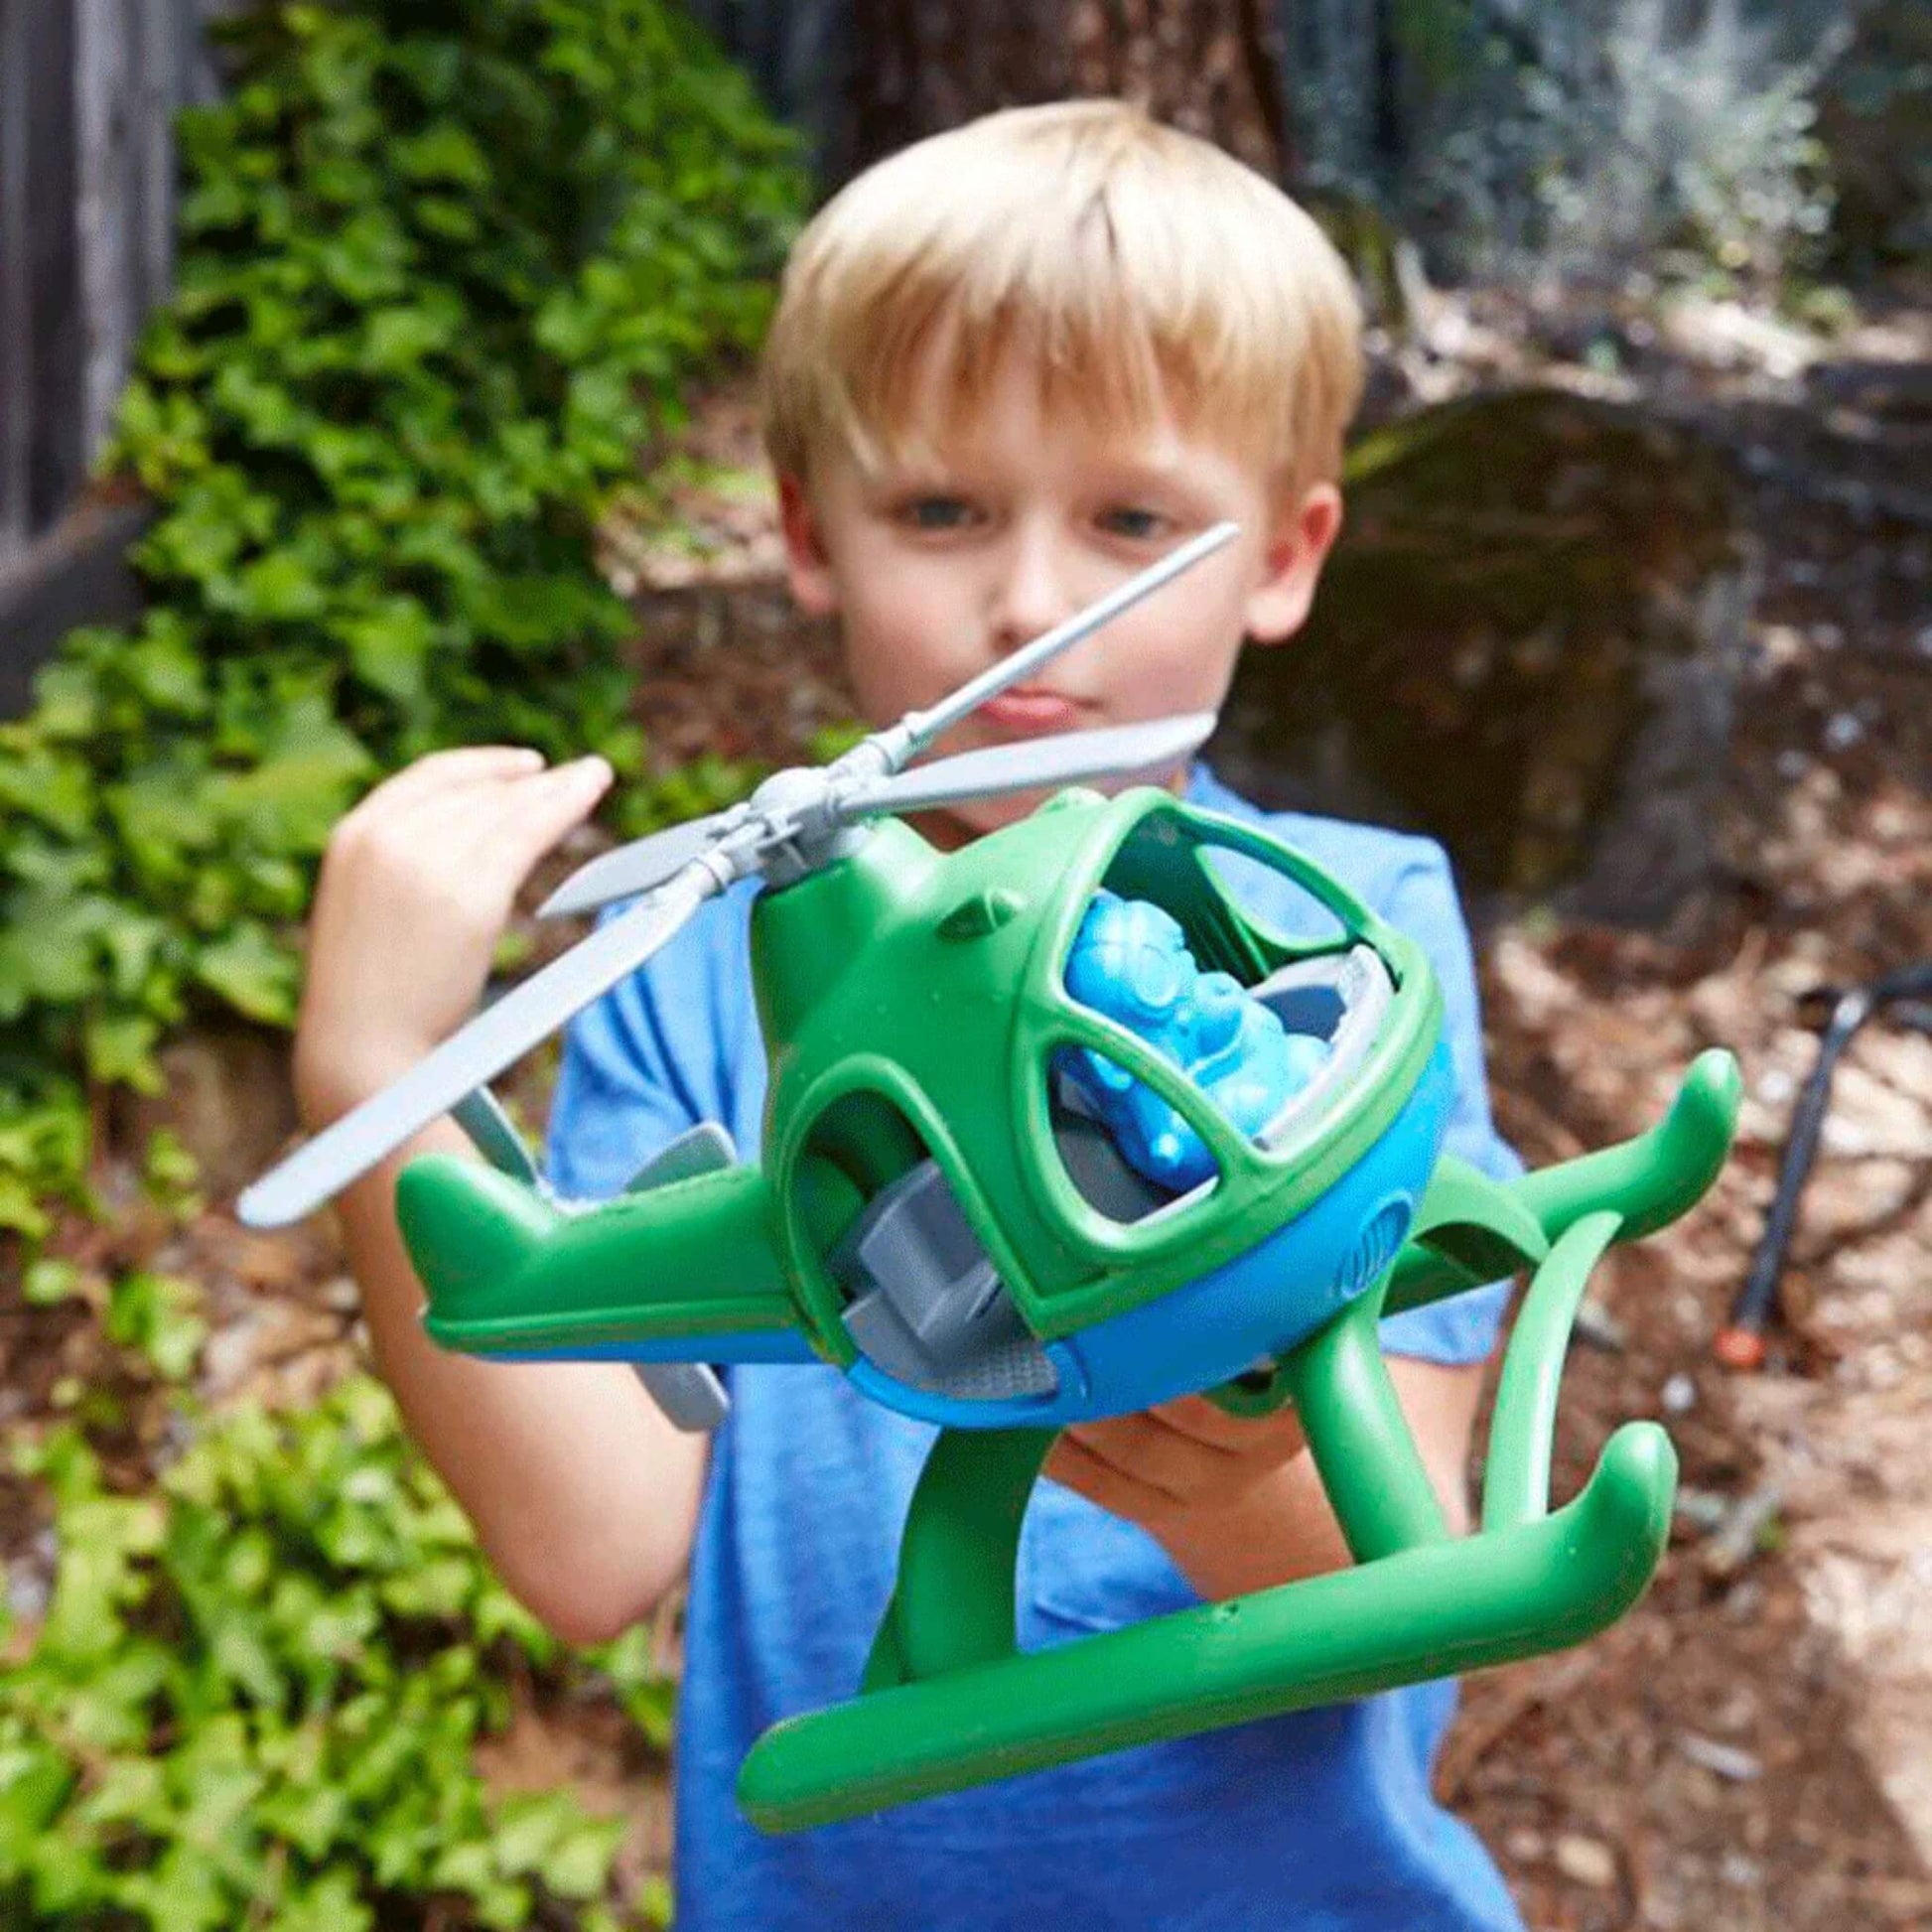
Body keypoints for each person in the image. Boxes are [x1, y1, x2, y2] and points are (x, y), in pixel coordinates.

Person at [294, 99, 1527, 1930]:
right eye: (939, 509)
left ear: (1283, 553)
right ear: (808, 531)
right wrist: (376, 1074)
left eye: (1132, 518)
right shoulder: (691, 986)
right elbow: (589, 1543)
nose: (1027, 599)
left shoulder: (1341, 934)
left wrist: (1222, 1426)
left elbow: (1398, 1562)